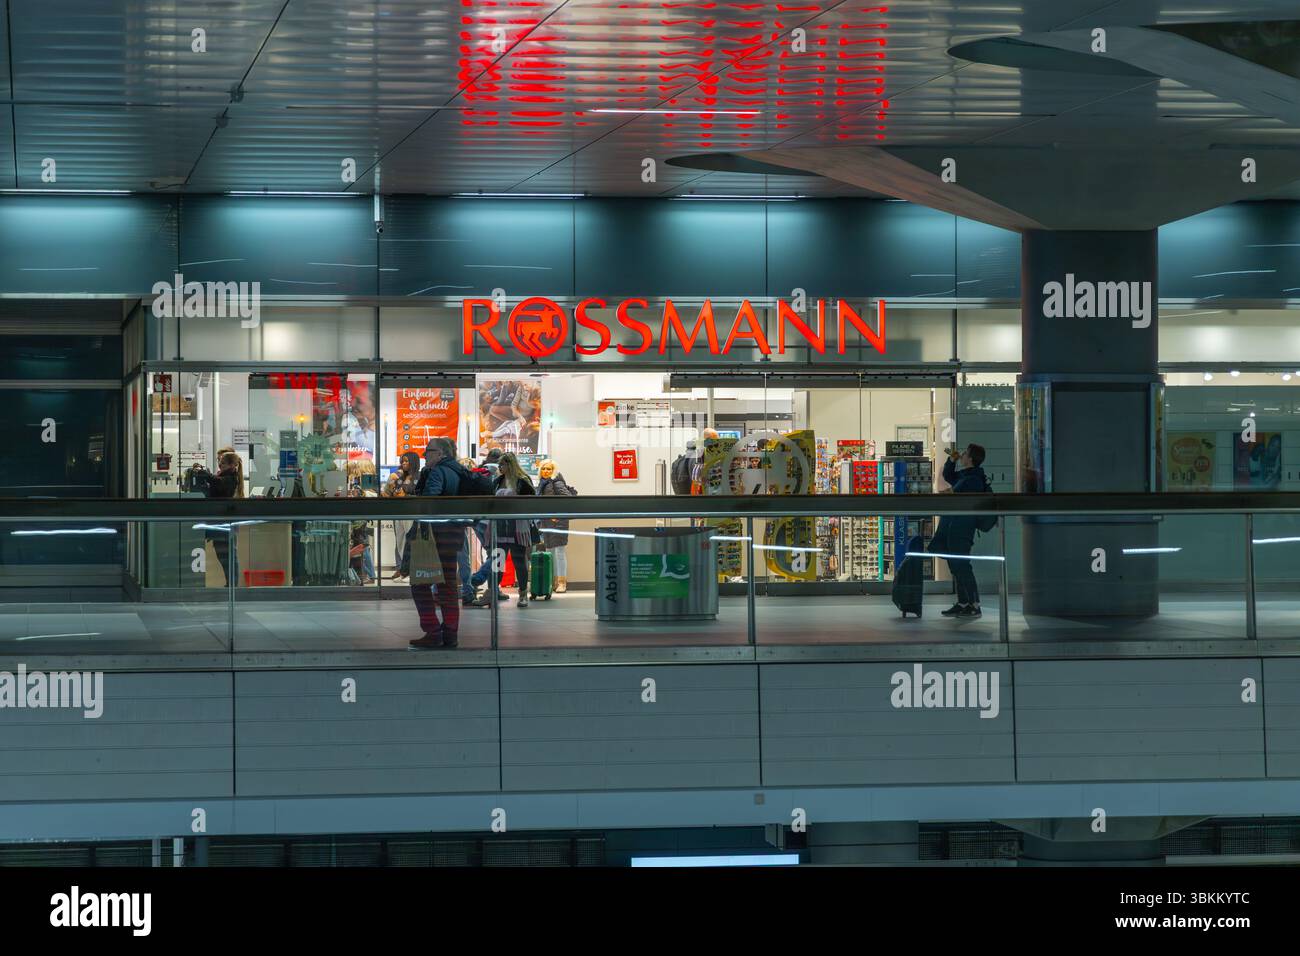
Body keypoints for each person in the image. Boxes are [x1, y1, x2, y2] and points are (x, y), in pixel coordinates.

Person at [407, 437, 473, 650]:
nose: (426, 454)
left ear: (442, 453)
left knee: (420, 583)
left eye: (429, 451)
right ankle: (450, 633)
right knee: (448, 587)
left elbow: (430, 503)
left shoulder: (437, 472)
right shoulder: (460, 471)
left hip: (436, 536)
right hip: (454, 535)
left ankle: (432, 631)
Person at [929, 443, 990, 619]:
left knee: (962, 566)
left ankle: (974, 604)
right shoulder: (966, 475)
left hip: (962, 528)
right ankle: (963, 602)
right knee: (955, 566)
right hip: (952, 526)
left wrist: (948, 493)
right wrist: (951, 460)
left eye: (964, 454)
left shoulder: (973, 479)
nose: (962, 455)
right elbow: (948, 475)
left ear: (970, 458)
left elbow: (953, 493)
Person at [486, 451, 535, 607]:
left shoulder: (522, 482)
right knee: (497, 561)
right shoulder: (497, 481)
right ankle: (493, 591)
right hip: (499, 527)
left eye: (502, 464)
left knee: (519, 561)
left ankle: (522, 594)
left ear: (510, 465)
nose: (500, 467)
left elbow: (531, 503)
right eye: (499, 464)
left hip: (517, 528)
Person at [468, 448, 508, 603]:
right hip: (493, 519)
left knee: (493, 552)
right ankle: (477, 579)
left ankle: (494, 590)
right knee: (498, 553)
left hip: (477, 519)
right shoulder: (499, 473)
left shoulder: (478, 471)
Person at [205, 448, 244, 587]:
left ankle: (232, 585)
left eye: (222, 462)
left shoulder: (229, 478)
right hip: (220, 522)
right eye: (218, 461)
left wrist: (206, 475)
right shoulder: (225, 476)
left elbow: (219, 484)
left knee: (228, 555)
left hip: (224, 522)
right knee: (224, 555)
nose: (219, 465)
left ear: (232, 465)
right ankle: (230, 583)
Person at [537, 459, 574, 593]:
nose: (546, 471)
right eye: (544, 469)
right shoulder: (543, 484)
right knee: (550, 551)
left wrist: (557, 515)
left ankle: (561, 583)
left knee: (559, 552)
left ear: (554, 471)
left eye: (549, 469)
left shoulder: (556, 482)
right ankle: (552, 582)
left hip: (558, 522)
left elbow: (568, 498)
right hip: (547, 521)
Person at [384, 451, 421, 581]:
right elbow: (393, 491)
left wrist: (405, 494)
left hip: (411, 513)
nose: (404, 464)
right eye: (402, 461)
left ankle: (410, 571)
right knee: (400, 542)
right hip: (399, 513)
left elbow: (417, 494)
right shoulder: (400, 477)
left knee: (409, 542)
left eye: (406, 461)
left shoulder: (419, 476)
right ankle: (404, 570)